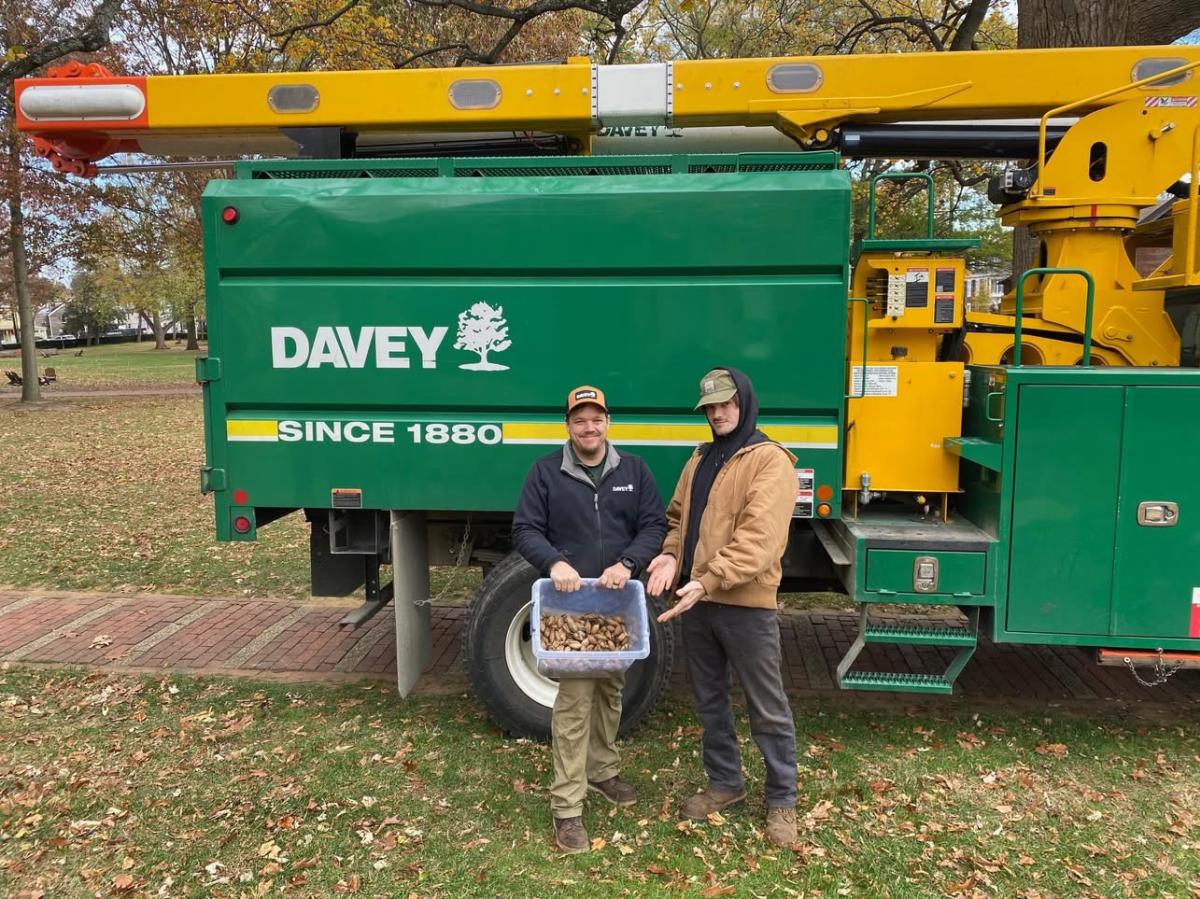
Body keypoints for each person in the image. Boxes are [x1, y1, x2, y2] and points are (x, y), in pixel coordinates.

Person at [646, 367, 799, 848]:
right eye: (710, 407)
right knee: (709, 700)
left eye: (726, 403)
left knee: (766, 706)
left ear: (745, 402)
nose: (718, 413)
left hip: (745, 604)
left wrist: (707, 580)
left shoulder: (771, 461)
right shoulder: (700, 458)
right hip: (698, 601)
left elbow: (760, 541)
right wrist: (671, 556)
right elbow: (677, 520)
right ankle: (725, 783)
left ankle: (782, 800)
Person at [512, 385, 667, 854]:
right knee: (575, 702)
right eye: (579, 420)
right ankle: (567, 807)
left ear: (608, 422)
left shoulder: (634, 470)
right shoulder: (545, 473)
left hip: (616, 607)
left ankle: (602, 771)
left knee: (611, 691)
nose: (589, 427)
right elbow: (525, 529)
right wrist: (554, 562)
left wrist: (629, 563)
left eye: (596, 418)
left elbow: (654, 525)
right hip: (570, 607)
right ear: (568, 426)